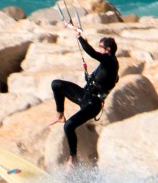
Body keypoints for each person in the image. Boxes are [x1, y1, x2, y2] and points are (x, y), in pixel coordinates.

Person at [49, 25, 119, 167]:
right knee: (56, 84)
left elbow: (92, 53)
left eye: (101, 47)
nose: (99, 49)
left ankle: (73, 158)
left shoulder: (111, 62)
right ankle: (59, 114)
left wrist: (80, 38)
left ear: (108, 50)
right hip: (85, 95)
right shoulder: (106, 62)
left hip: (93, 105)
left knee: (69, 126)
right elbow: (95, 53)